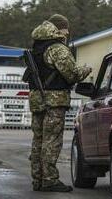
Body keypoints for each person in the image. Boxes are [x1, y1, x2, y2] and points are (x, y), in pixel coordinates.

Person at [27, 14, 92, 192]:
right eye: (66, 29)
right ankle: (49, 180)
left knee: (38, 140)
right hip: (53, 101)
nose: (67, 33)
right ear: (59, 29)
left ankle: (38, 179)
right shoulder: (57, 48)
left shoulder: (38, 46)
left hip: (38, 100)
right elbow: (72, 74)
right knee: (52, 141)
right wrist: (87, 68)